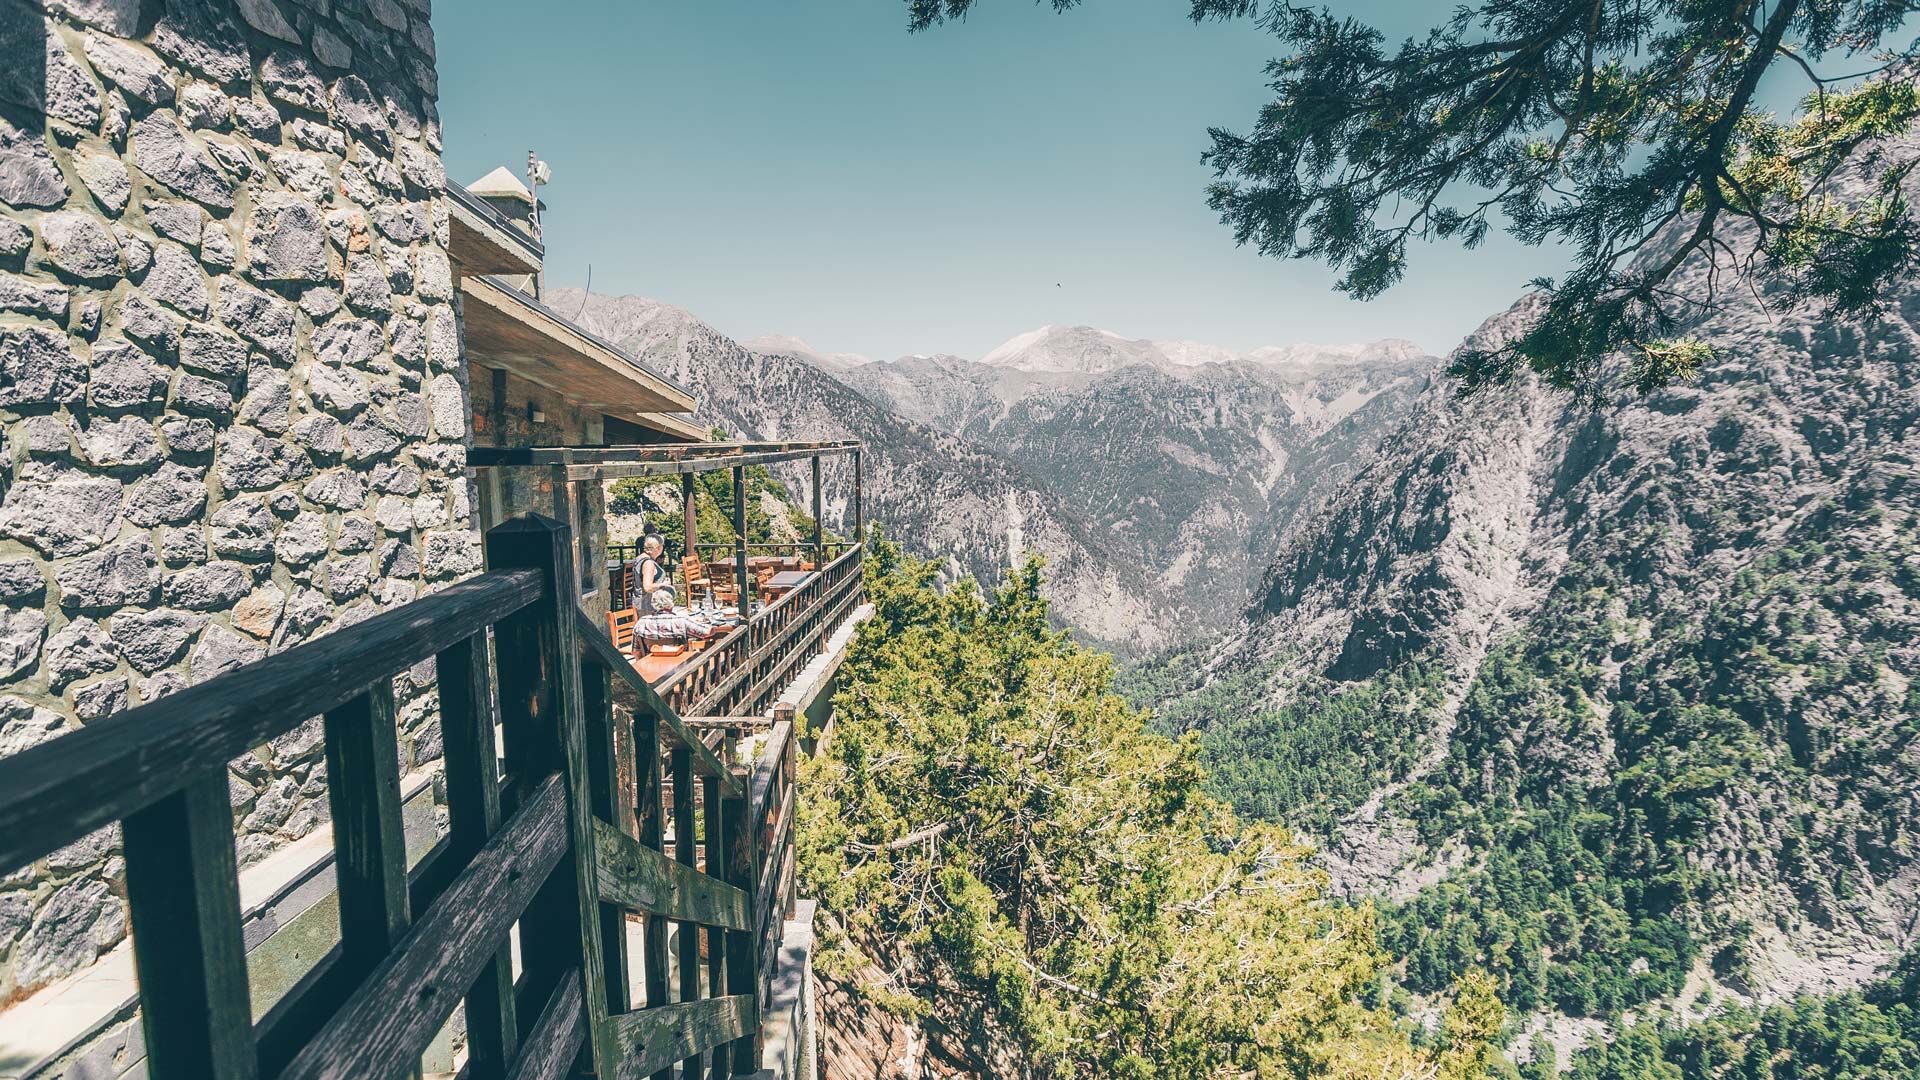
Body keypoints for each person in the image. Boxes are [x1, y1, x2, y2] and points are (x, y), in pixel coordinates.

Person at [633, 589, 716, 643]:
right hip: (681, 664)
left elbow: (636, 652)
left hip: (650, 665)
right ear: (671, 604)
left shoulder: (641, 623)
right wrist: (714, 627)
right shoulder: (680, 620)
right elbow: (707, 632)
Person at [631, 534, 673, 613]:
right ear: (658, 548)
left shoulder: (640, 558)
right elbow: (647, 587)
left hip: (640, 603)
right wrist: (664, 584)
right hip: (647, 606)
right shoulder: (648, 563)